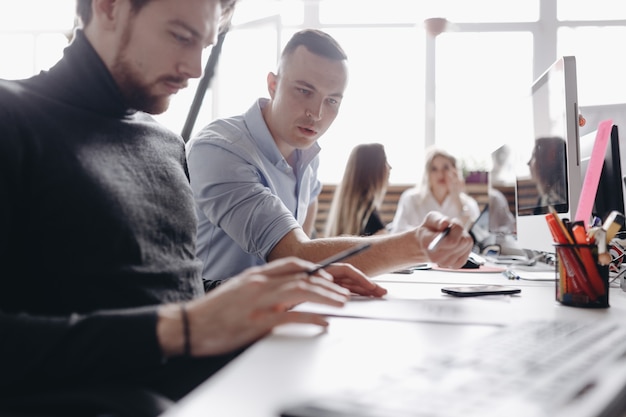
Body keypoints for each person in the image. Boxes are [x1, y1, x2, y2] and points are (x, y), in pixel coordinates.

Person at [0, 1, 387, 415]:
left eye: (205, 43)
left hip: (202, 384)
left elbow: (176, 295)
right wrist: (180, 328)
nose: (195, 67)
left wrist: (281, 288)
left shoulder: (164, 147)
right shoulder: (13, 119)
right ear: (109, 7)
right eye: (181, 37)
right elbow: (176, 323)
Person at [187, 29, 474, 288]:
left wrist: (331, 273)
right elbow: (294, 253)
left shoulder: (308, 157)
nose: (317, 113)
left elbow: (305, 259)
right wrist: (418, 244)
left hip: (280, 309)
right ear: (273, 85)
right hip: (216, 324)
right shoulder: (221, 149)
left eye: (332, 100)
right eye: (304, 91)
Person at [391, 147, 480, 234]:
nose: (440, 173)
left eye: (445, 168)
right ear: (427, 174)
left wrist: (457, 197)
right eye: (434, 169)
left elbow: (475, 233)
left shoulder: (468, 203)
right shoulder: (411, 198)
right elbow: (398, 231)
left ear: (455, 171)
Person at [324, 143, 390, 237]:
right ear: (373, 170)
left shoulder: (347, 208)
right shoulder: (370, 216)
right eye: (385, 162)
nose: (389, 167)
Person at [529, 136, 568, 212]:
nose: (528, 162)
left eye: (534, 155)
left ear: (550, 157)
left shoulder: (556, 200)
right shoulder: (544, 198)